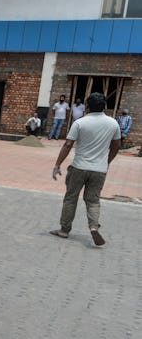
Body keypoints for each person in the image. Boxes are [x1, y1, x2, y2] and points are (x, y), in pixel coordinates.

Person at [49, 93, 121, 247]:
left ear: (87, 106)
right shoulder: (113, 123)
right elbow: (116, 145)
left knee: (71, 198)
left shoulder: (80, 123)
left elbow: (68, 145)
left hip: (79, 168)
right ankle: (94, 227)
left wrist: (57, 164)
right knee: (93, 201)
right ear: (104, 107)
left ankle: (64, 230)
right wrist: (106, 162)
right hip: (99, 170)